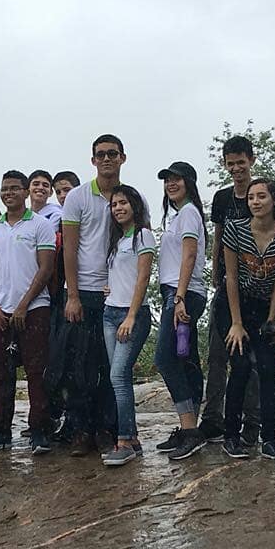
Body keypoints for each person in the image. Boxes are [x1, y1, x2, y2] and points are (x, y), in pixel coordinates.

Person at [0, 170, 57, 454]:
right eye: (4, 189)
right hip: (0, 310)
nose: (8, 193)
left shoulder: (40, 225)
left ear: (25, 191)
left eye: (14, 188)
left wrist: (24, 304)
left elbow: (46, 268)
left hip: (34, 308)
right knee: (1, 372)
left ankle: (39, 429)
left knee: (37, 372)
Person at [220, 179, 275, 460]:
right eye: (251, 197)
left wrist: (272, 318)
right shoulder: (236, 229)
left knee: (268, 369)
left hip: (264, 305)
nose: (255, 202)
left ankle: (270, 440)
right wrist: (236, 323)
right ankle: (231, 436)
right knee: (241, 365)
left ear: (274, 200)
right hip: (233, 304)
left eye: (262, 196)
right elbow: (230, 277)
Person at [61, 134, 131, 455]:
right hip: (83, 292)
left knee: (109, 365)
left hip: (116, 294)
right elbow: (70, 247)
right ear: (92, 160)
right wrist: (72, 295)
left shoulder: (129, 198)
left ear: (122, 158)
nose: (106, 159)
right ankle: (80, 430)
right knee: (79, 363)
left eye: (112, 154)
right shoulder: (77, 197)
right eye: (100, 154)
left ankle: (106, 429)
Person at [199, 135, 260, 445]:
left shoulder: (262, 194)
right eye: (230, 163)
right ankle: (212, 418)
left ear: (251, 160)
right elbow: (219, 234)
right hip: (226, 283)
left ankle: (252, 420)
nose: (236, 169)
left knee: (248, 357)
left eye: (241, 162)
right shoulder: (222, 198)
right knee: (217, 352)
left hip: (256, 287)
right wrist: (214, 271)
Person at [153, 161, 208, 461]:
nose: (171, 184)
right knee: (187, 360)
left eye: (177, 179)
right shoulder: (178, 215)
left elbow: (189, 254)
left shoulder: (188, 212)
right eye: (167, 180)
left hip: (182, 292)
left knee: (165, 358)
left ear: (189, 183)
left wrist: (179, 298)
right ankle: (191, 427)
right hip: (177, 291)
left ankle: (190, 431)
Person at [101, 186, 155, 466]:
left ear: (135, 205)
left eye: (123, 203)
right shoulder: (118, 239)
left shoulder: (143, 235)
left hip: (131, 315)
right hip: (110, 312)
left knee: (118, 376)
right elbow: (122, 274)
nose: (118, 208)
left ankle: (123, 441)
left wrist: (131, 316)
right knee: (118, 378)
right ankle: (131, 439)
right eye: (114, 204)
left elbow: (143, 278)